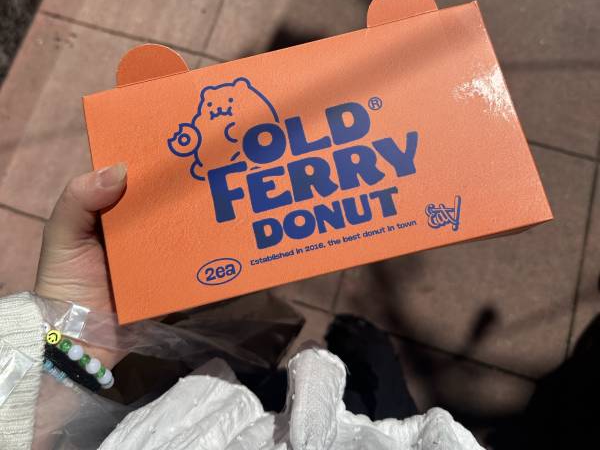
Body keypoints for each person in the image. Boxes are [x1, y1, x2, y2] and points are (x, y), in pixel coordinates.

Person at [0, 164, 483, 449]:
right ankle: (357, 338)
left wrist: (72, 345)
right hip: (366, 430)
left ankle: (353, 340)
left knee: (288, 372)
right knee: (372, 374)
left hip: (196, 413)